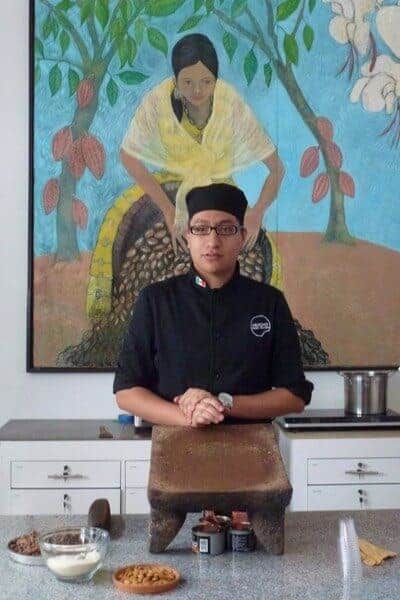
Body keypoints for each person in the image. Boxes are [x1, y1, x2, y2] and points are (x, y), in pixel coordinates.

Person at [114, 183, 313, 427]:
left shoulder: (269, 302)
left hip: (251, 447)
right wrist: (189, 417)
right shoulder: (155, 300)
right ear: (187, 236)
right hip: (174, 442)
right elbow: (126, 391)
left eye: (226, 229)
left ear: (242, 237)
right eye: (201, 228)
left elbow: (295, 396)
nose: (213, 240)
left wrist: (223, 404)